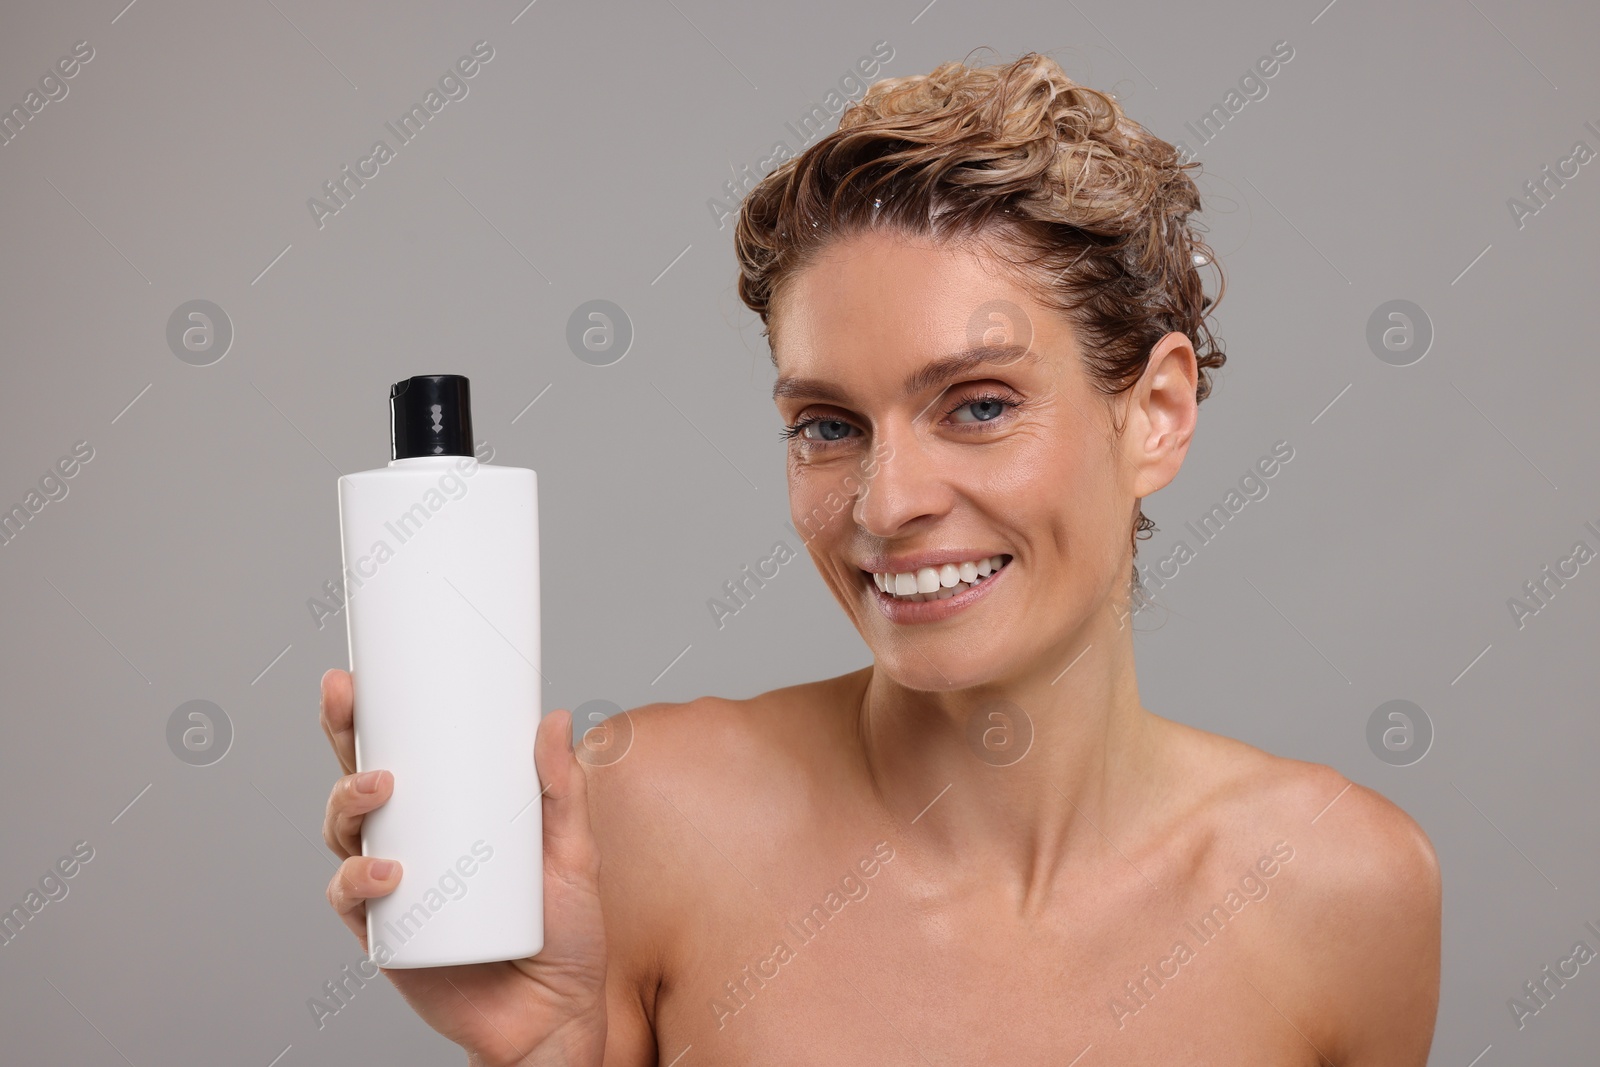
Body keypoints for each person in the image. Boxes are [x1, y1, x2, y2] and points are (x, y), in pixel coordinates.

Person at [320, 49, 1440, 1065]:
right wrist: (550, 1051)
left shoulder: (1343, 892)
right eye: (827, 425)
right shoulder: (645, 816)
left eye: (980, 404)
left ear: (1154, 413)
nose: (887, 501)